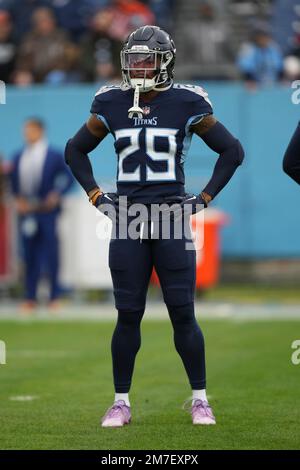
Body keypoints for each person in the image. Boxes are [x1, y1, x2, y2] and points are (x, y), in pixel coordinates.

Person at [65, 25, 244, 427]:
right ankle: (121, 402)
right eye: (133, 60)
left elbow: (232, 151)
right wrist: (96, 195)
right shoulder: (110, 102)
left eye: (147, 60)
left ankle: (200, 399)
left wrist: (203, 198)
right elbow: (74, 149)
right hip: (127, 217)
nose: (139, 68)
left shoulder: (187, 102)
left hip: (170, 216)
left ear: (166, 62)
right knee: (128, 313)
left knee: (183, 311)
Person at [10, 118, 74, 312]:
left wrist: (56, 194)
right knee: (29, 255)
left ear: (39, 131)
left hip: (47, 213)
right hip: (27, 213)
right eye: (25, 130)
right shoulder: (19, 155)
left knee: (51, 254)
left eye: (29, 130)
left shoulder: (53, 155)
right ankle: (30, 297)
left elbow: (68, 178)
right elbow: (13, 182)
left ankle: (54, 296)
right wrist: (17, 199)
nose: (26, 134)